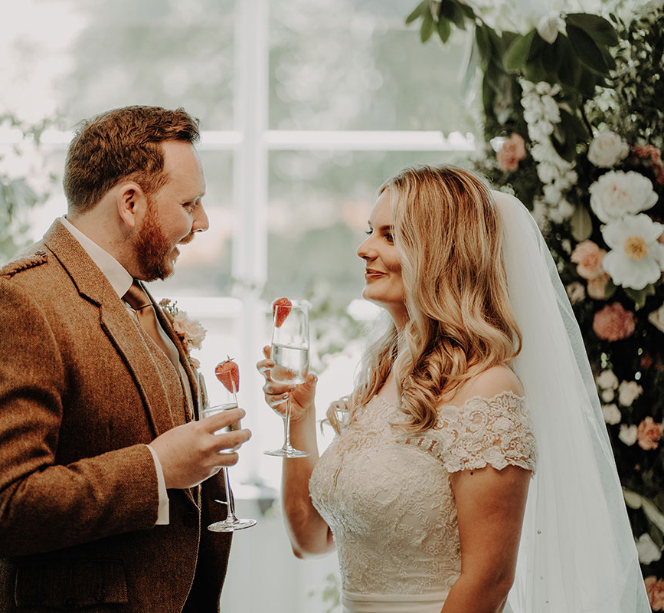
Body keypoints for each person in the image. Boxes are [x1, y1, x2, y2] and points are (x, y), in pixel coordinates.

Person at [258, 165, 650, 613]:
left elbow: (489, 580)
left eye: (390, 236)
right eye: (371, 231)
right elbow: (309, 540)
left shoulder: (486, 389)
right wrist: (298, 417)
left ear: (441, 253)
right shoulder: (384, 375)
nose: (364, 248)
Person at [0, 105, 250, 613]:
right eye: (189, 203)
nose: (202, 223)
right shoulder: (13, 303)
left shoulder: (132, 293)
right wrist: (156, 469)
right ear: (130, 203)